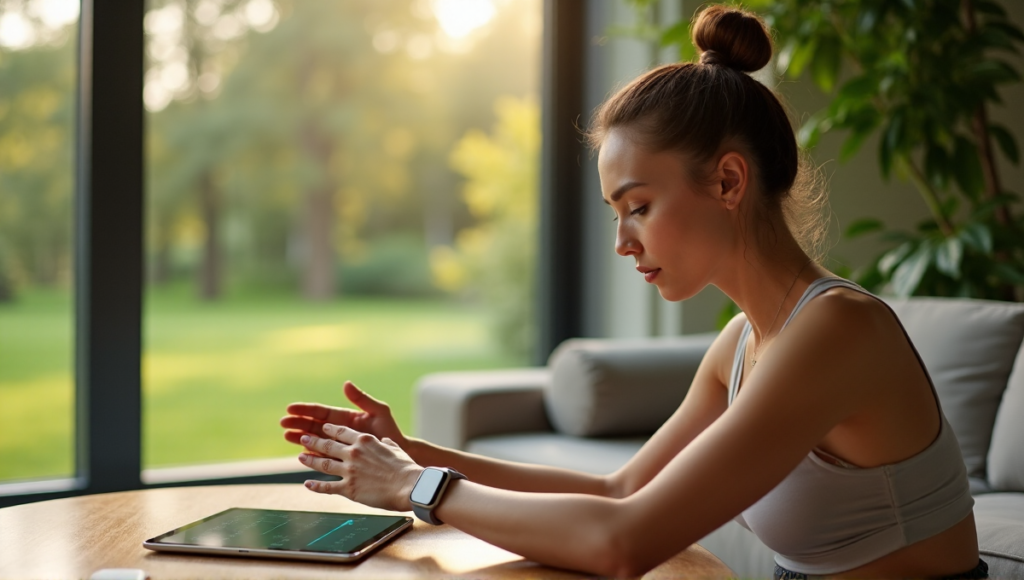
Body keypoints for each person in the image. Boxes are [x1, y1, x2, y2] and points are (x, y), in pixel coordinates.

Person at [279, 5, 987, 579]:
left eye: (639, 206)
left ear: (728, 182)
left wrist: (413, 489)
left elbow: (623, 542)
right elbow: (618, 491)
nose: (622, 243)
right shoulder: (741, 344)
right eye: (616, 214)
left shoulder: (839, 332)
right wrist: (415, 452)